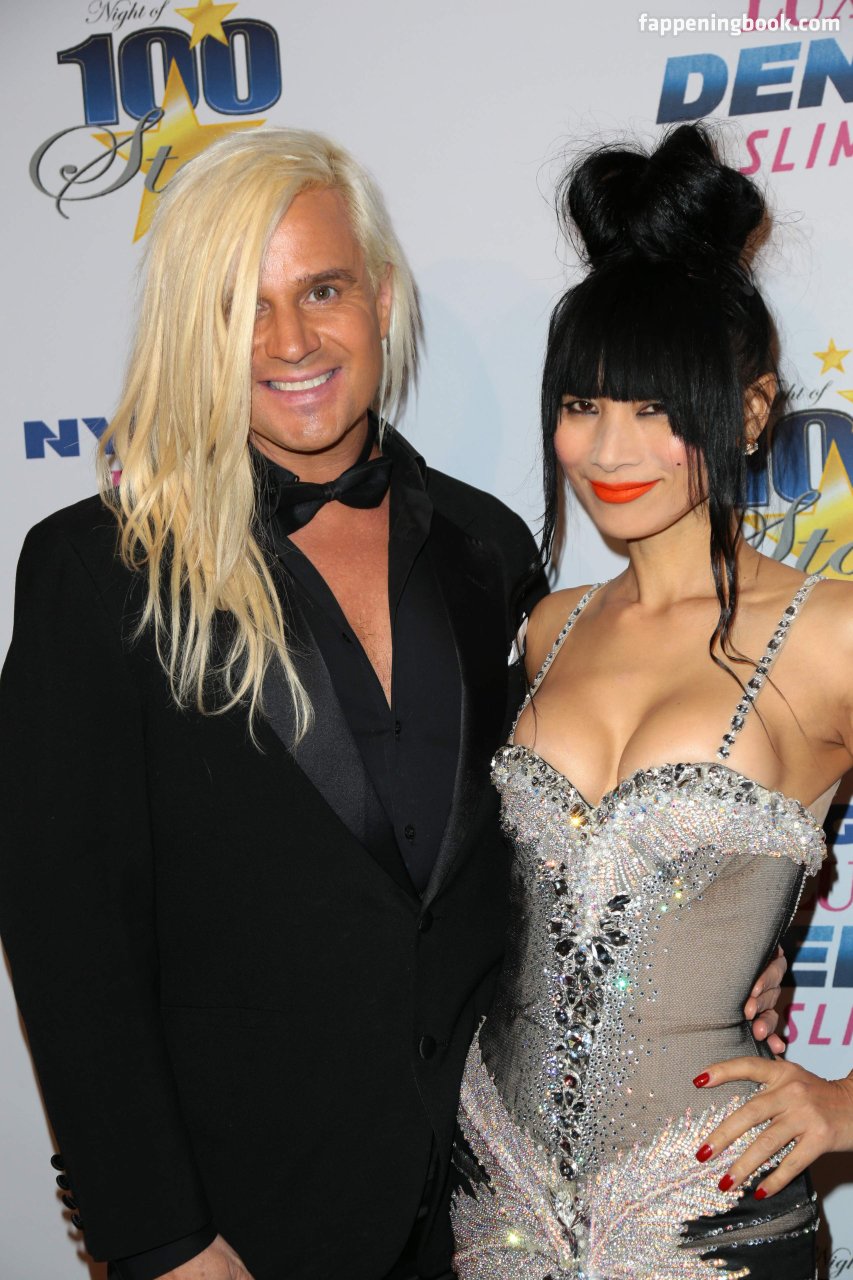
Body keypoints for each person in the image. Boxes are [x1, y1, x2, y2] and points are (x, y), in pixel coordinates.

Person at [0, 128, 786, 1280]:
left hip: (492, 1211)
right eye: (241, 305)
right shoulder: (98, 569)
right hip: (236, 1226)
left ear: (378, 297)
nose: (291, 340)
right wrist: (157, 1232)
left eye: (321, 289)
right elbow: (66, 935)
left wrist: (734, 942)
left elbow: (548, 843)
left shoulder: (491, 549)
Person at [451, 124, 853, 1280]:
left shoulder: (827, 632)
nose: (608, 448)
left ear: (750, 409)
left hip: (709, 1220)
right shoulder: (547, 627)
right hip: (493, 1206)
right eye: (582, 403)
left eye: (656, 406)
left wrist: (842, 1102)